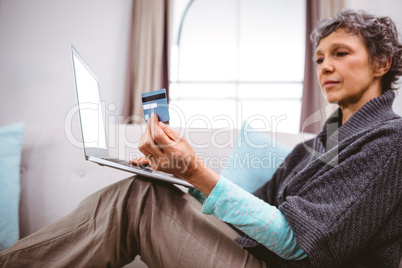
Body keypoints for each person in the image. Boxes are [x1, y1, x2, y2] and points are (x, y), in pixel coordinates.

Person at [1, 9, 401, 268]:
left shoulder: (387, 142)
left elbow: (299, 243)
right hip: (259, 255)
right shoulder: (317, 145)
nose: (325, 66)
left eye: (341, 53)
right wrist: (182, 178)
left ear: (381, 62)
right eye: (319, 58)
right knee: (144, 192)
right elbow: (258, 212)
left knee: (138, 203)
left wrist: (197, 170)